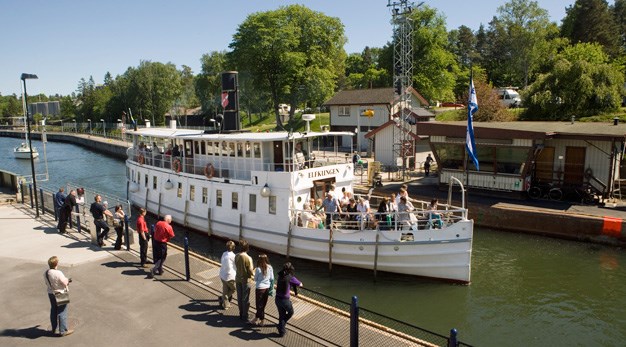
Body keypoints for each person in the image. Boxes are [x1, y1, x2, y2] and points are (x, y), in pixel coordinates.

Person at [44, 256, 73, 337]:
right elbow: (64, 283)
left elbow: (47, 283)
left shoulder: (46, 273)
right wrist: (67, 280)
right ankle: (63, 331)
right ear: (56, 264)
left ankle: (54, 328)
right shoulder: (58, 272)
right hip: (60, 293)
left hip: (51, 293)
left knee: (53, 309)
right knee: (62, 311)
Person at [275, 262, 303, 337]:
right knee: (291, 312)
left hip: (277, 299)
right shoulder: (291, 277)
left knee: (281, 315)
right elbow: (300, 284)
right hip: (285, 300)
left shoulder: (280, 275)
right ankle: (281, 325)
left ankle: (282, 332)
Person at [251, 254, 274, 326]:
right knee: (263, 305)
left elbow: (255, 279)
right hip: (266, 288)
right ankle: (256, 318)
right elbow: (272, 278)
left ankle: (261, 321)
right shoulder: (270, 267)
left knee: (259, 305)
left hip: (259, 289)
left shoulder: (258, 269)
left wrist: (254, 273)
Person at [235, 238, 254, 321]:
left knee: (239, 297)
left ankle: (240, 312)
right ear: (247, 248)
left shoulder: (236, 256)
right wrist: (253, 273)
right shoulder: (248, 258)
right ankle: (245, 315)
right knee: (245, 298)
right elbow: (250, 270)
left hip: (238, 278)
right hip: (245, 280)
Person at [219, 240, 236, 310]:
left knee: (225, 291)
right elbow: (236, 266)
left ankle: (226, 305)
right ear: (233, 248)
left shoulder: (224, 253)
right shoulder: (234, 256)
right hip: (230, 276)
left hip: (222, 275)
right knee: (233, 289)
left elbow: (221, 261)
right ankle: (222, 299)